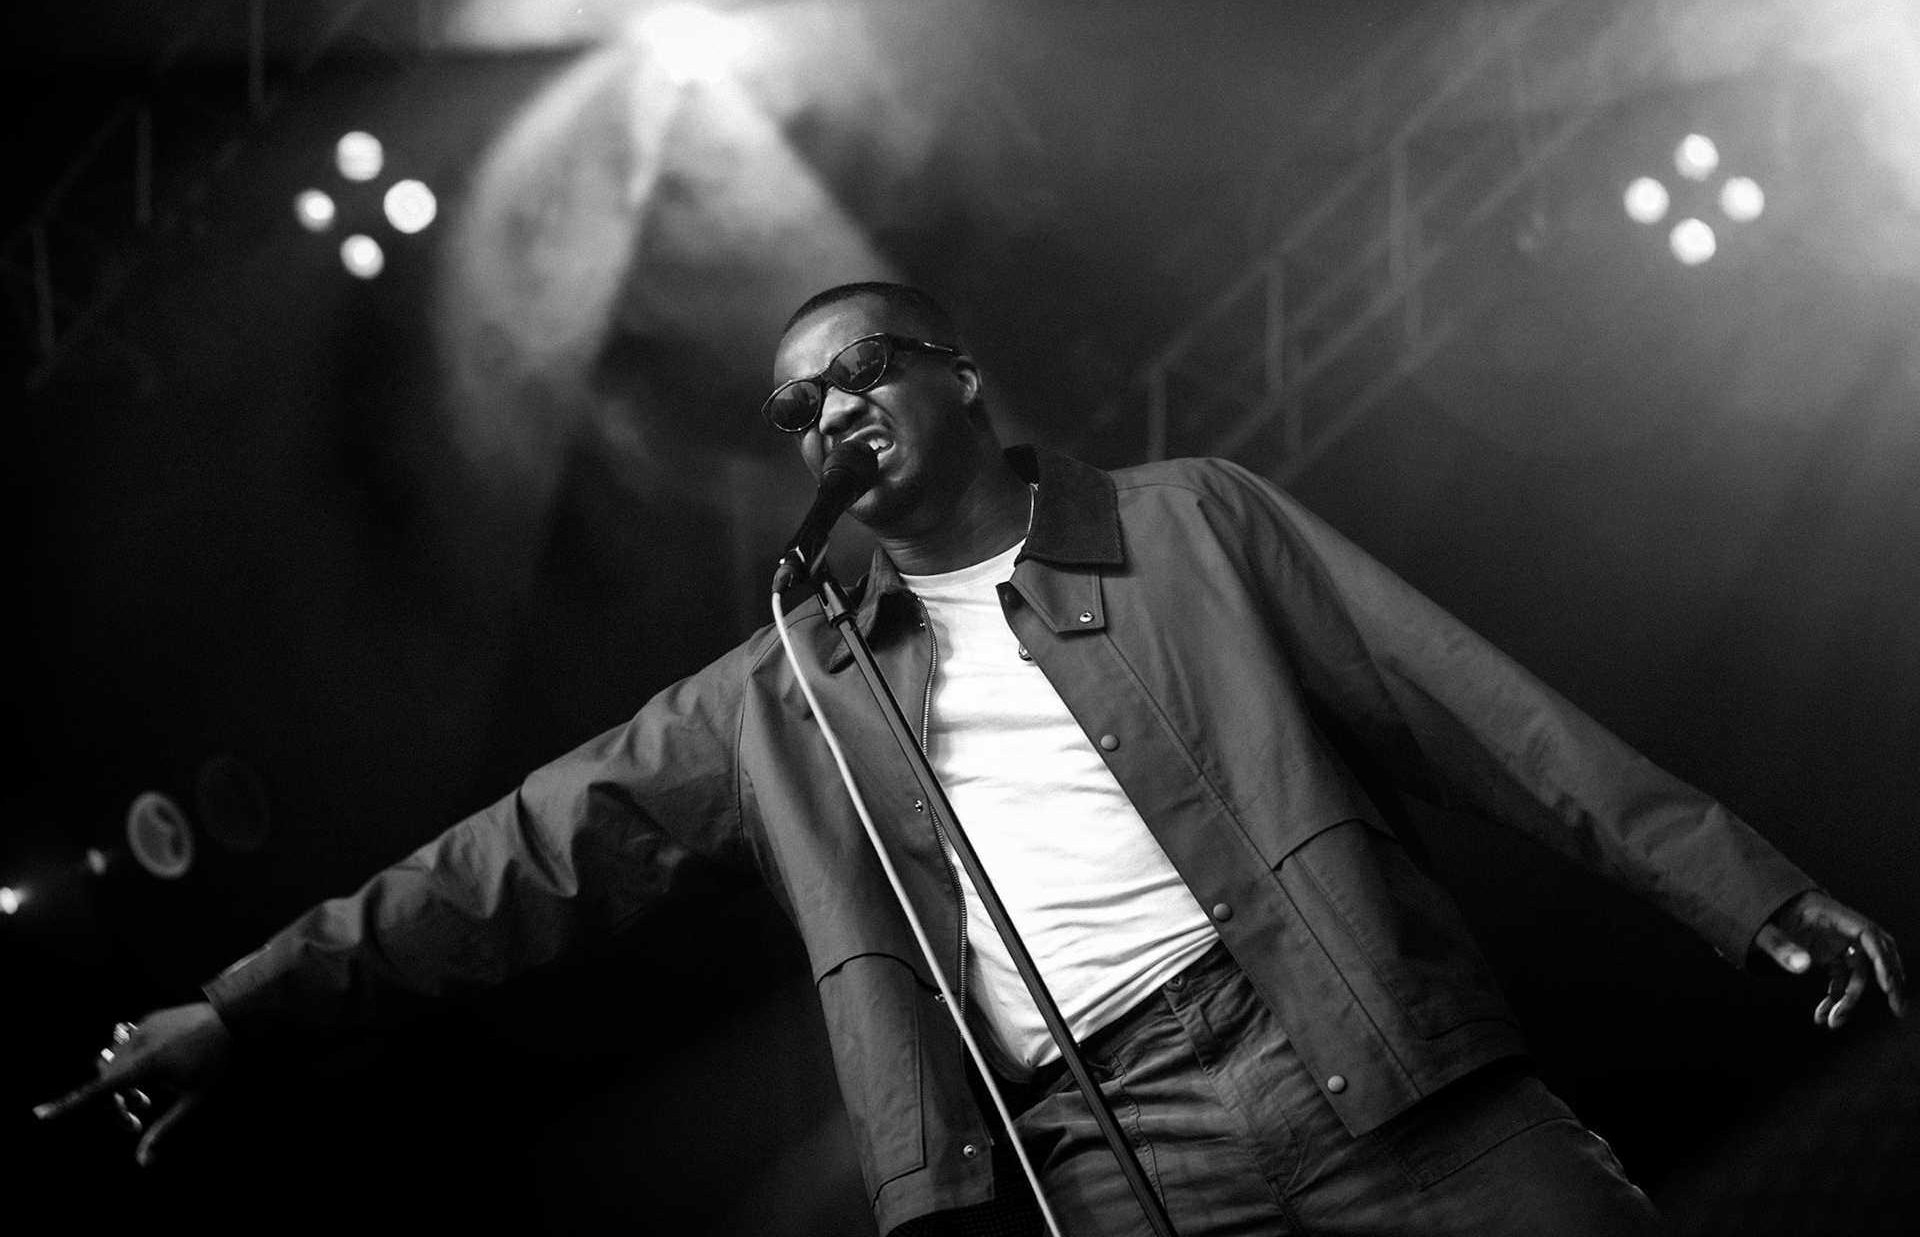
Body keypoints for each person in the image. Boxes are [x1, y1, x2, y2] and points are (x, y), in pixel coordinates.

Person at [38, 282, 1906, 1235]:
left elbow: (1478, 707)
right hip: (1117, 1150)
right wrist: (247, 1007)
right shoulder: (789, 686)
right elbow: (520, 857)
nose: (832, 407)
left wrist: (1745, 893)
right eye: (799, 406)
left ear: (958, 380)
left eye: (861, 368)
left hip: (1373, 1068)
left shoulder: (1190, 524)